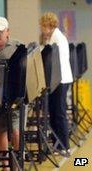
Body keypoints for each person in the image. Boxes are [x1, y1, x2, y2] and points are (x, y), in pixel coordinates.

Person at [0, 16, 21, 171]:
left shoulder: (17, 48)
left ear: (8, 32)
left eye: (0, 31)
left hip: (14, 97)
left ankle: (16, 162)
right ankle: (6, 166)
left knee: (15, 129)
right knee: (0, 131)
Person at [39, 12, 73, 155]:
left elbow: (54, 63)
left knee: (59, 113)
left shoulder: (57, 39)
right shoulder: (53, 37)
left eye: (43, 26)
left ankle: (64, 145)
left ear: (49, 25)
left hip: (60, 80)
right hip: (57, 80)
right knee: (54, 113)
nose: (41, 29)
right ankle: (57, 144)